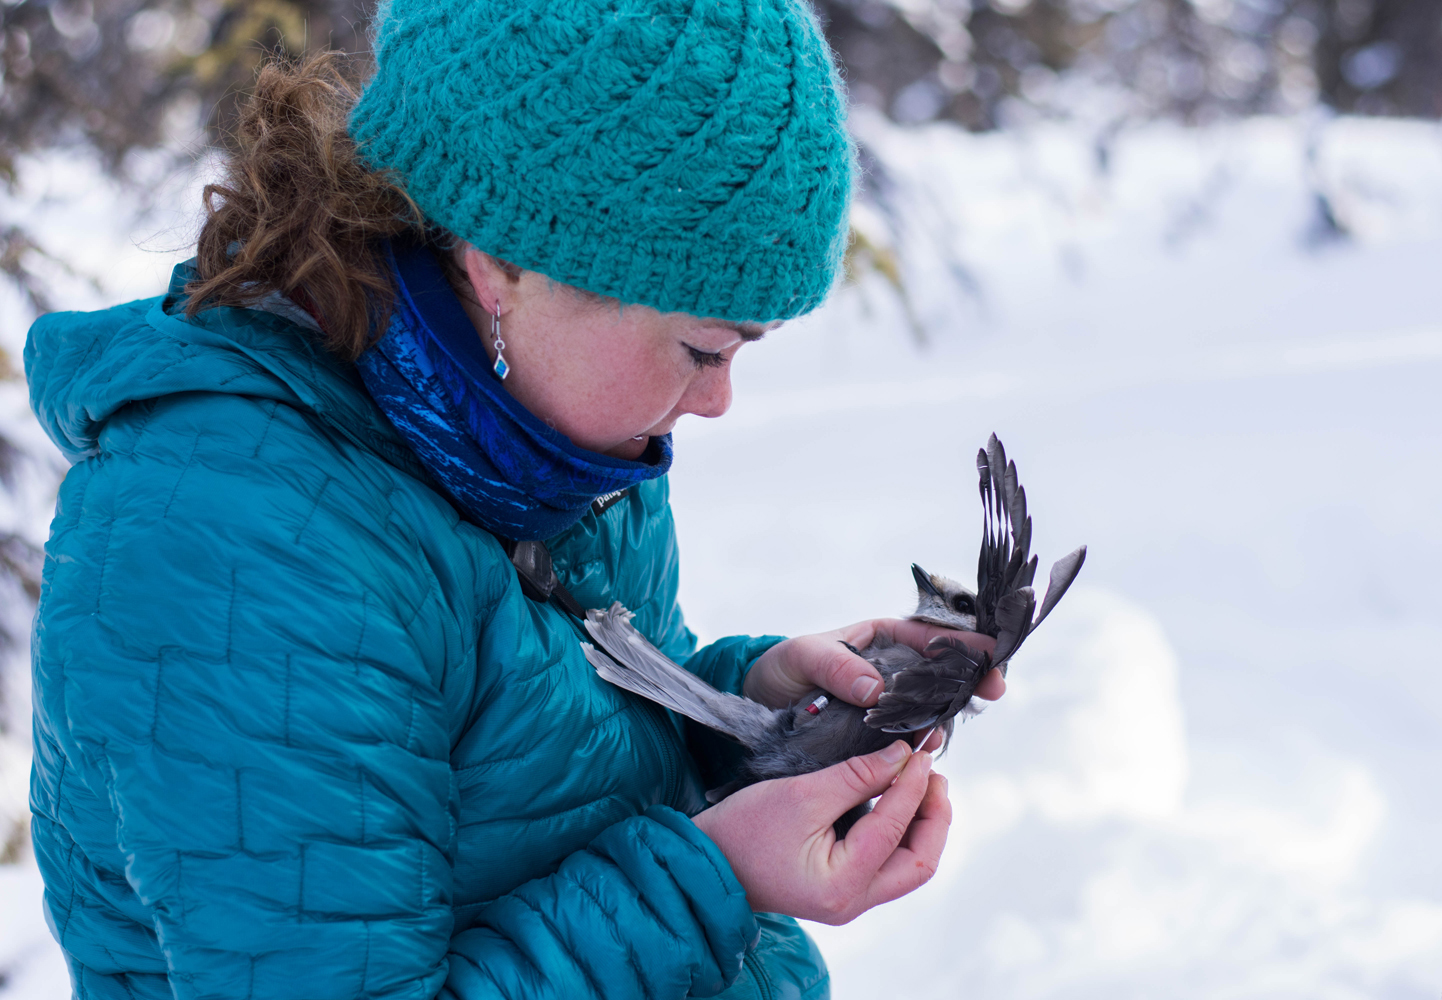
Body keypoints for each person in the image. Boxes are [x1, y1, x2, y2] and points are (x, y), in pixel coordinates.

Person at [24, 2, 1002, 997]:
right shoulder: (237, 541)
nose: (716, 401)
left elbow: (554, 764)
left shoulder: (543, 436)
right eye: (703, 347)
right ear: (502, 265)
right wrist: (711, 878)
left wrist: (751, 716)